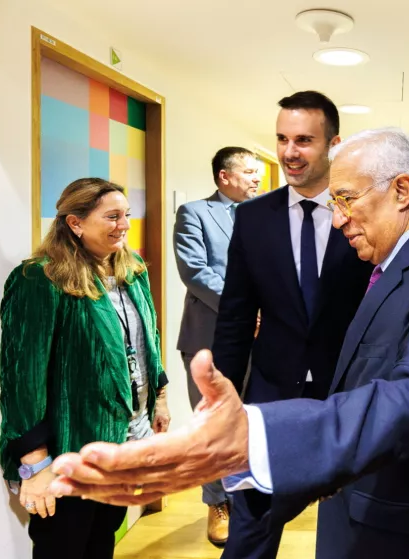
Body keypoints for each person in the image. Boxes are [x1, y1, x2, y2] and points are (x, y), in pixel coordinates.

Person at [48, 128, 409, 559]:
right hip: (384, 511)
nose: (338, 221)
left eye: (347, 200)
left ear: (402, 191)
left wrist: (257, 438)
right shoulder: (402, 261)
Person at [209, 91, 373, 558]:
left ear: (334, 145)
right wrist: (221, 398)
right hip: (271, 392)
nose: (288, 152)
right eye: (282, 139)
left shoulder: (360, 212)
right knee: (253, 522)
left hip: (348, 393)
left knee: (352, 523)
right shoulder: (253, 218)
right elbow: (236, 316)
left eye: (303, 140)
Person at [0, 178, 170, 558]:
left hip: (123, 439)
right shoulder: (40, 279)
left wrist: (159, 397)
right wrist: (35, 463)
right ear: (75, 223)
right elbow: (21, 378)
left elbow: (148, 341)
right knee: (64, 546)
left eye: (125, 215)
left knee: (102, 538)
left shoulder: (132, 267)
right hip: (67, 450)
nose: (124, 225)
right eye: (111, 216)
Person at [173, 146, 261, 545]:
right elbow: (195, 271)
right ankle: (217, 503)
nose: (257, 179)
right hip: (210, 337)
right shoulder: (194, 213)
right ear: (224, 176)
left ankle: (250, 497)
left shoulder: (266, 215)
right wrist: (243, 308)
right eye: (248, 171)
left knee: (252, 419)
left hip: (263, 337)